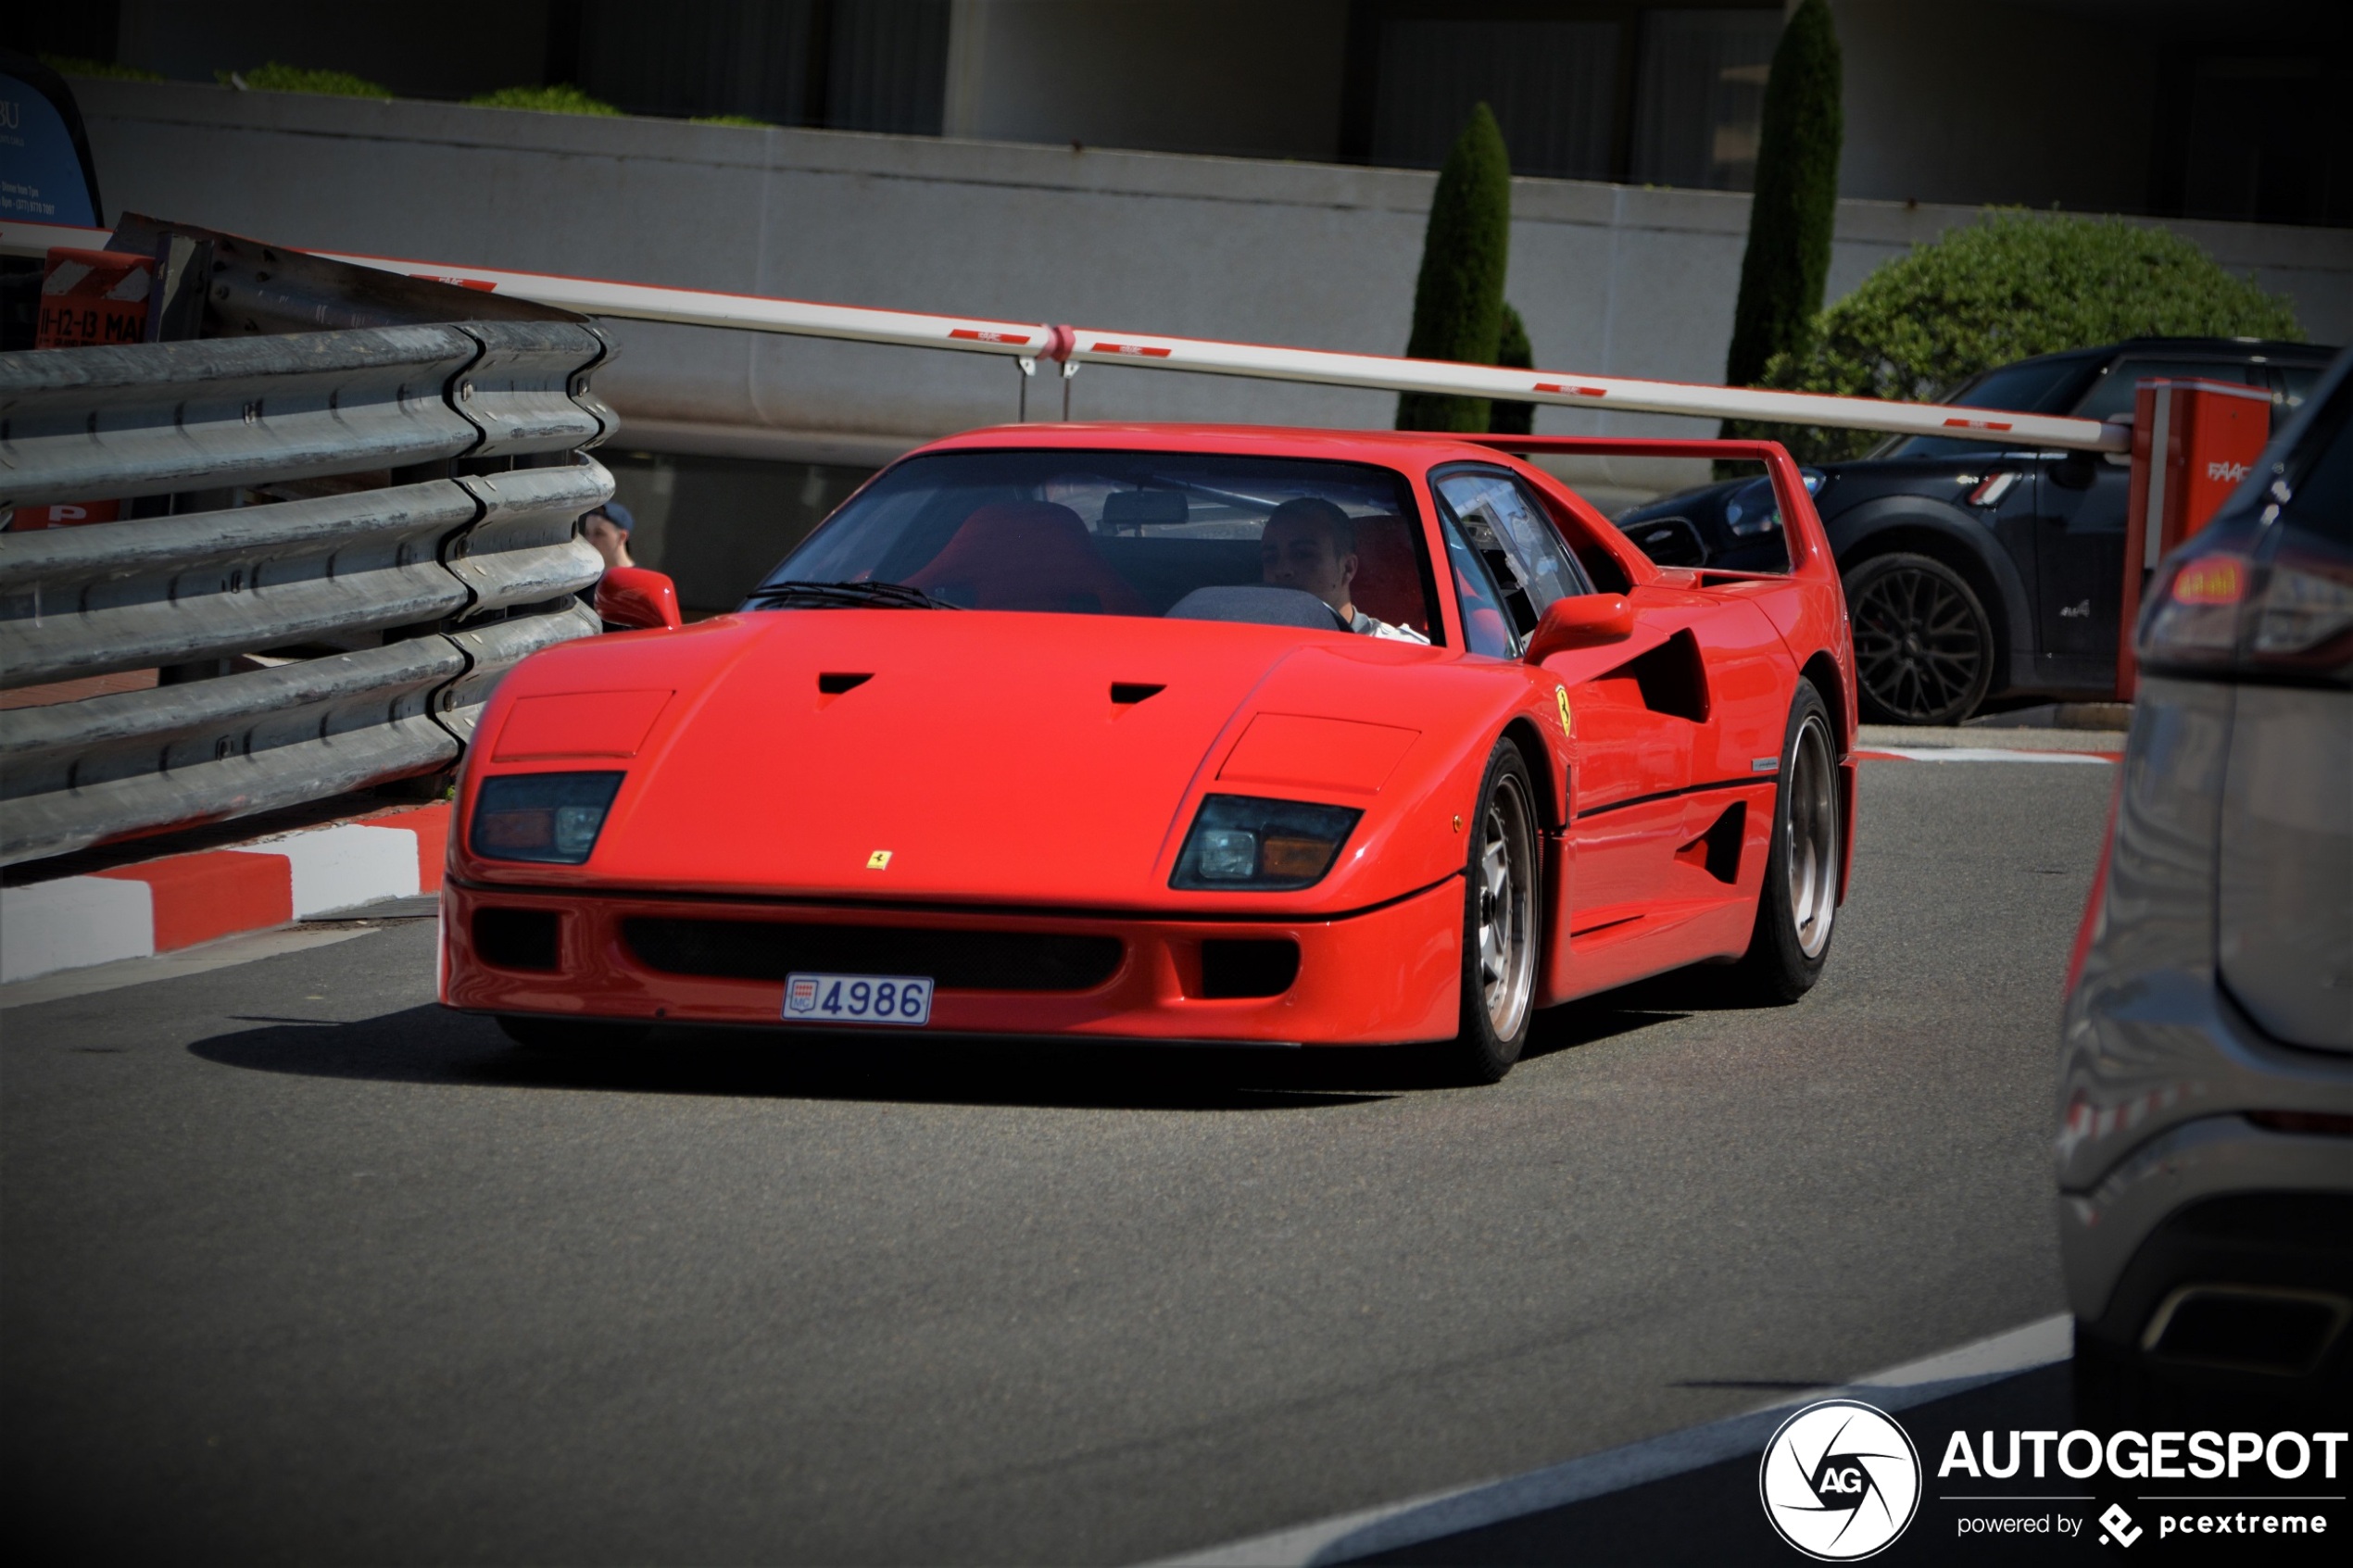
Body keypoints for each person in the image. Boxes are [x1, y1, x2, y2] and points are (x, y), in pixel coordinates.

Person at [1259, 497, 1428, 642]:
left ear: (1347, 568)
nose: (1282, 570)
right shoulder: (1245, 640)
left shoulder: (1402, 654)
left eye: (1303, 555)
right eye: (1270, 557)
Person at [583, 502, 635, 570]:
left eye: (599, 533)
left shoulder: (641, 578)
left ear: (622, 537)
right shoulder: (586, 577)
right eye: (587, 533)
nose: (590, 541)